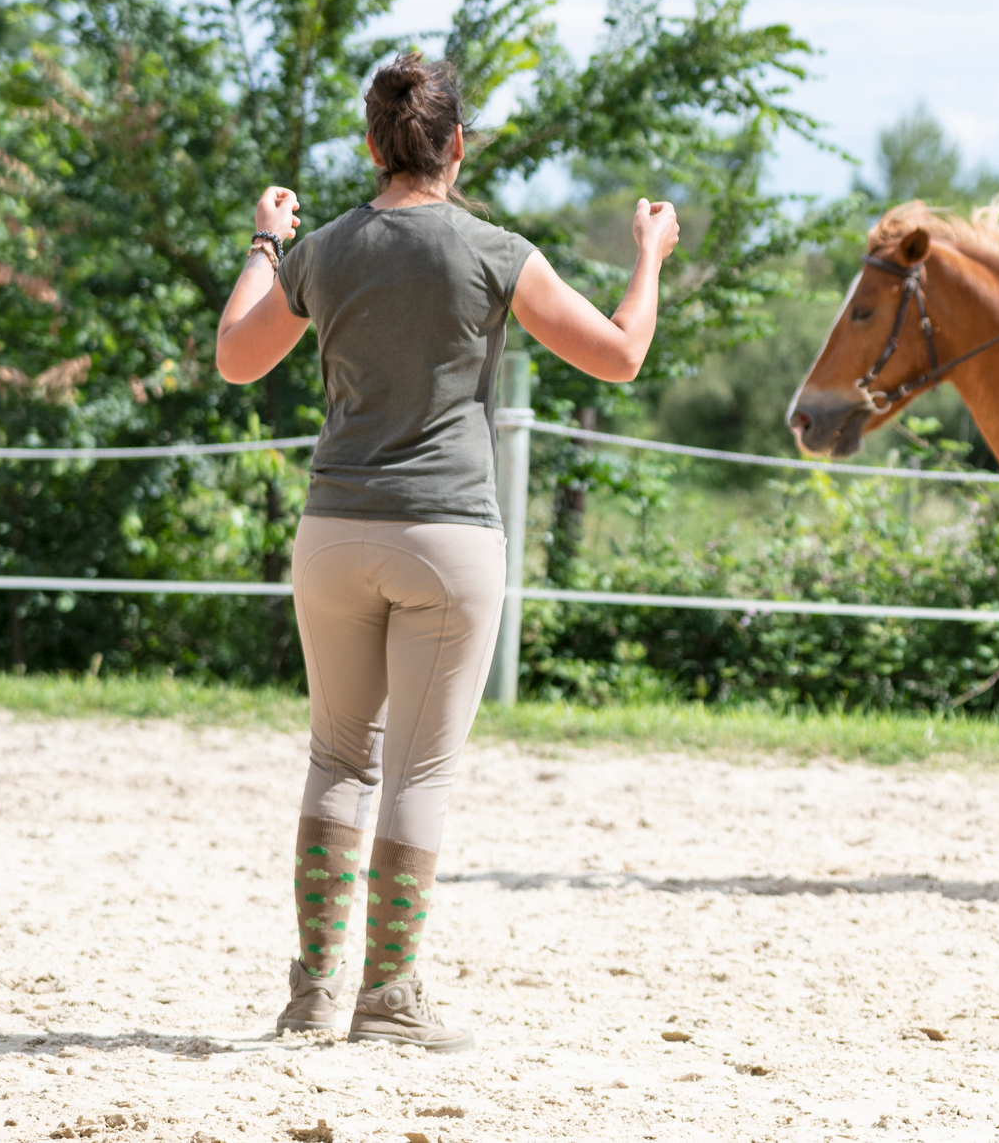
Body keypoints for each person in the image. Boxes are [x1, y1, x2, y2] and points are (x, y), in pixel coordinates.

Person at [215, 51, 681, 1051]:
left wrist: (264, 242)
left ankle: (308, 999)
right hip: (448, 535)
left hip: (334, 530)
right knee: (420, 773)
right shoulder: (492, 251)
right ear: (455, 146)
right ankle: (388, 999)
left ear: (372, 146)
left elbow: (236, 354)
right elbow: (621, 354)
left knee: (338, 757)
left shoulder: (326, 250)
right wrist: (650, 256)